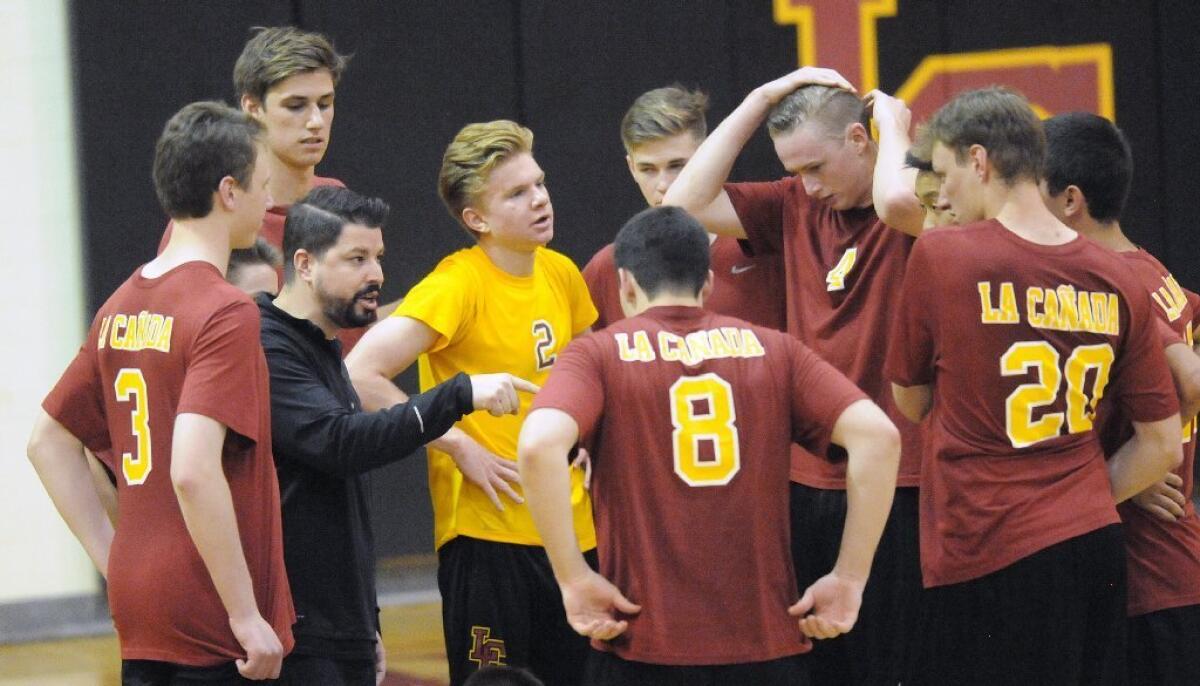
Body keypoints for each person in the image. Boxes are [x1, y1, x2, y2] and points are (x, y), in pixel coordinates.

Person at [518, 206, 900, 685]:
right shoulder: (776, 350)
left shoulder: (597, 354)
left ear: (626, 285)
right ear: (709, 284)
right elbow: (879, 438)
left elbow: (536, 446)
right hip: (765, 651)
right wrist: (849, 578)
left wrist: (573, 577)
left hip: (641, 646)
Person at [886, 87, 1181, 684]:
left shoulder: (943, 256)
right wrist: (1073, 498)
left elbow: (910, 400)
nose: (940, 197)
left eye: (943, 176)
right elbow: (1161, 445)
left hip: (985, 544)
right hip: (1094, 544)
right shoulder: (1119, 276)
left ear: (978, 160)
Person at [661, 67, 925, 684]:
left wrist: (892, 124)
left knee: (898, 662)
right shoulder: (790, 207)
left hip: (904, 480)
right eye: (795, 170)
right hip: (807, 481)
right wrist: (759, 98)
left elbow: (896, 202)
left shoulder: (916, 202)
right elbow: (683, 205)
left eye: (817, 167)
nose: (807, 186)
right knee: (819, 659)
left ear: (860, 140)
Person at [27, 101, 293, 683]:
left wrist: (114, 560)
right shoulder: (226, 309)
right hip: (213, 608)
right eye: (263, 186)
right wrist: (246, 614)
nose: (269, 202)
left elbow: (46, 442)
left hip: (143, 605)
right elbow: (193, 470)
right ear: (229, 191)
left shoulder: (119, 305)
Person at [346, 120, 597, 686]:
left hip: (573, 536)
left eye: (539, 183)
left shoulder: (561, 274)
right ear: (476, 220)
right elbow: (359, 372)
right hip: (488, 539)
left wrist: (592, 431)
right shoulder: (458, 283)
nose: (540, 199)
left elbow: (585, 374)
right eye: (517, 193)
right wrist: (456, 444)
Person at [259, 185, 540, 685]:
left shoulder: (321, 347)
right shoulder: (268, 344)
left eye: (379, 257)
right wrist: (457, 396)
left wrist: (367, 624)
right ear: (304, 264)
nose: (378, 275)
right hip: (296, 636)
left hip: (341, 629)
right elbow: (342, 444)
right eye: (357, 258)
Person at [1041, 111, 1200, 685]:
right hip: (1155, 575)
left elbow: (1191, 382)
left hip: (1153, 578)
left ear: (1069, 202)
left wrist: (1149, 454)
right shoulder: (1151, 272)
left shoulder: (1113, 281)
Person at [582, 85, 784, 331]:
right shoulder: (605, 269)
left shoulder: (765, 244)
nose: (664, 185)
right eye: (648, 169)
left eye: (677, 165)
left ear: (706, 158)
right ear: (631, 168)